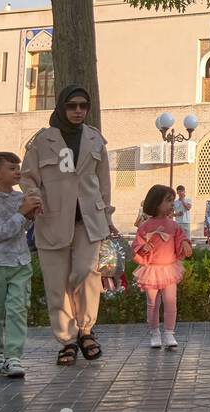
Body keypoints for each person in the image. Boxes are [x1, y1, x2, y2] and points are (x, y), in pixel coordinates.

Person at [20, 85, 119, 367]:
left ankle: (86, 330)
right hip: (52, 218)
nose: (78, 111)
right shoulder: (43, 140)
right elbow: (28, 177)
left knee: (87, 273)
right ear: (62, 107)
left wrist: (108, 216)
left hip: (89, 220)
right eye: (72, 106)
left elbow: (103, 183)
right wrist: (34, 199)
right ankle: (68, 340)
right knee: (56, 282)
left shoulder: (95, 139)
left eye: (83, 106)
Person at [0, 152, 40, 378]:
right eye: (11, 168)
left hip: (20, 263)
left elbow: (27, 224)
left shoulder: (21, 198)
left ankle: (14, 356)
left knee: (17, 309)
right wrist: (23, 214)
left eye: (17, 168)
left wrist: (32, 213)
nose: (17, 172)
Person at [132, 185, 193, 349]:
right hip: (152, 269)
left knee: (170, 301)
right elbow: (137, 243)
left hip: (169, 268)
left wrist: (185, 244)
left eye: (173, 201)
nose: (172, 204)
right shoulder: (145, 226)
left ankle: (169, 333)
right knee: (152, 303)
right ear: (156, 203)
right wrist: (143, 247)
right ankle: (154, 333)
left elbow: (181, 238)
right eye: (168, 201)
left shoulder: (174, 226)